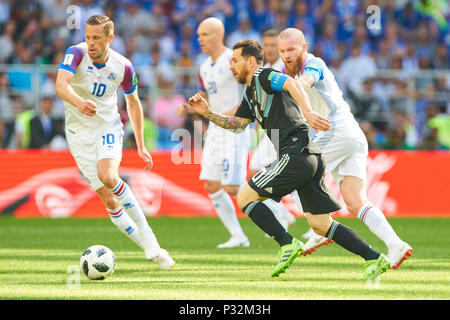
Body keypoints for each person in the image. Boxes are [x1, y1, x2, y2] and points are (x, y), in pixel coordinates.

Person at [187, 39, 391, 280]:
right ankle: (374, 257)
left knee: (245, 197)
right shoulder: (251, 93)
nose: (231, 66)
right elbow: (236, 125)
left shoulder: (264, 75)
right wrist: (207, 113)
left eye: (234, 60)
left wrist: (308, 112)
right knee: (320, 224)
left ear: (251, 62)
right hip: (310, 156)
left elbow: (292, 84)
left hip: (296, 152)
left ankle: (286, 242)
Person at [278, 28, 412, 269]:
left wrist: (293, 87)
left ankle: (319, 226)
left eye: (291, 49)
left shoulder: (313, 64)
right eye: (282, 51)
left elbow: (305, 82)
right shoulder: (291, 73)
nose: (286, 55)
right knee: (355, 201)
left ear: (304, 48)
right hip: (351, 135)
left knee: (293, 175)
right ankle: (396, 244)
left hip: (336, 131)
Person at [55, 14, 174, 269]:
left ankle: (148, 233)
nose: (91, 43)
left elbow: (133, 102)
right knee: (109, 201)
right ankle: (154, 252)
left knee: (109, 176)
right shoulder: (75, 54)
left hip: (107, 127)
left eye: (97, 38)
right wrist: (79, 102)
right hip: (78, 135)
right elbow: (61, 85)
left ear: (110, 38)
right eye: (88, 37)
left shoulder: (123, 66)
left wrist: (141, 144)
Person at [177, 17, 250, 249]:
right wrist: (191, 105)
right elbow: (208, 93)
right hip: (215, 130)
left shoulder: (233, 58)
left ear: (219, 35)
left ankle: (279, 214)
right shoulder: (204, 66)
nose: (200, 39)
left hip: (234, 128)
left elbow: (251, 88)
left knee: (233, 187)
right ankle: (238, 236)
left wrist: (240, 110)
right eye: (198, 35)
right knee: (211, 184)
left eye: (204, 34)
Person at [248, 29, 295, 232]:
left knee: (256, 172)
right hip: (270, 130)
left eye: (273, 45)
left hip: (282, 128)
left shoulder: (284, 70)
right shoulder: (266, 68)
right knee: (286, 176)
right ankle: (285, 215)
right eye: (265, 45)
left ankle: (283, 216)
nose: (269, 49)